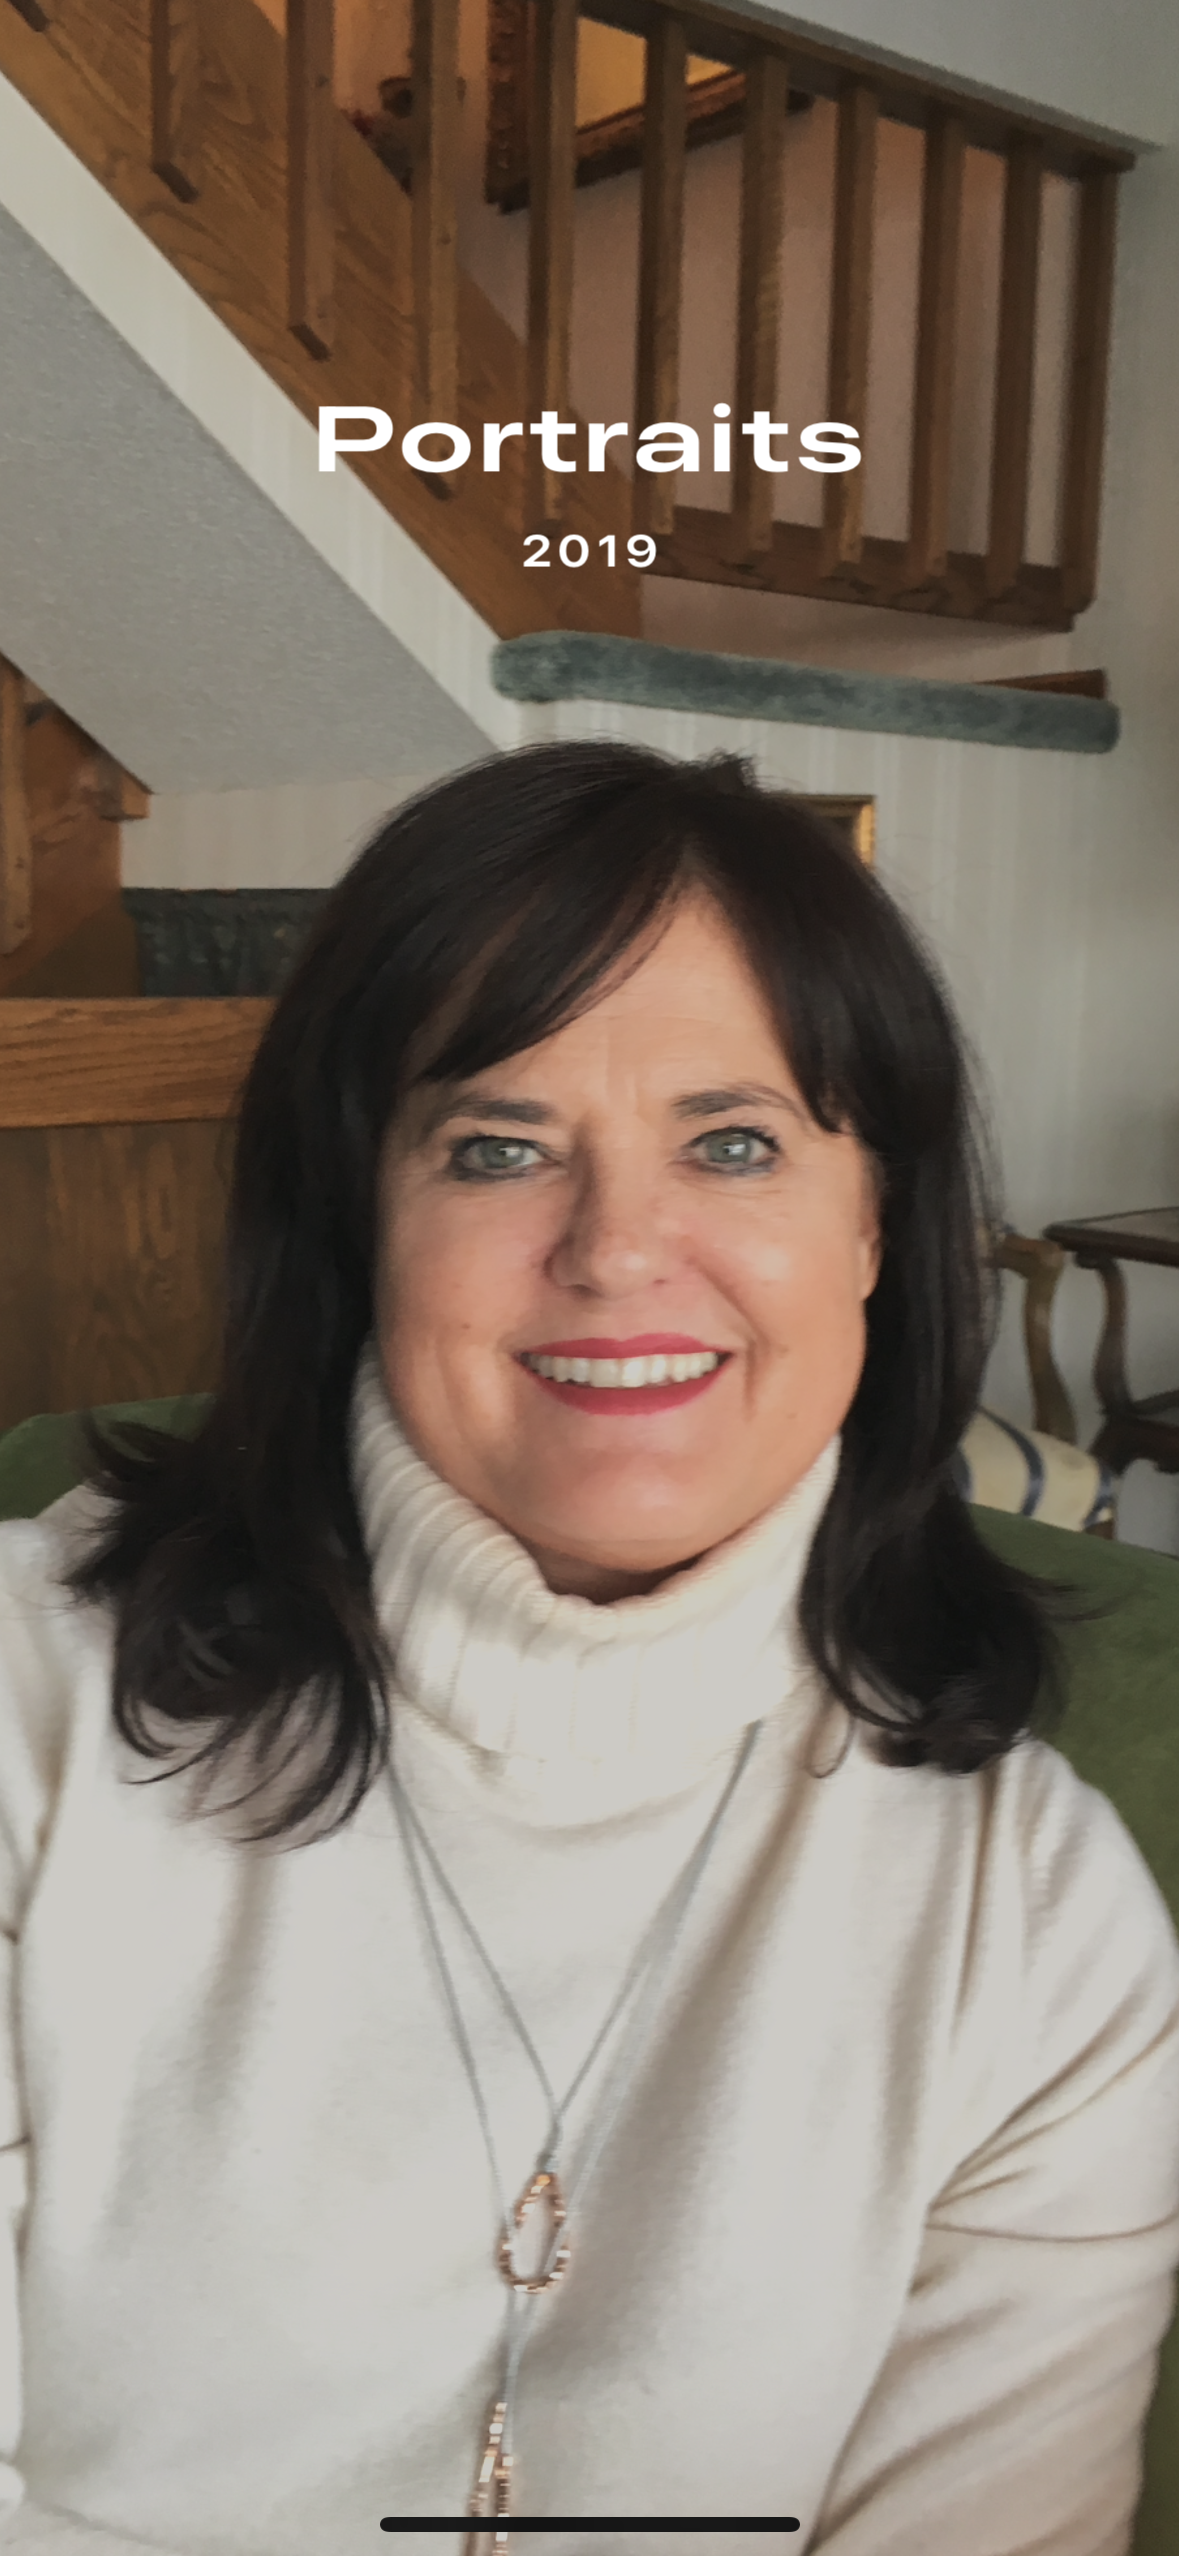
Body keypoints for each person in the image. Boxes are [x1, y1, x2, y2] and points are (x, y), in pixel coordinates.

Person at [0, 741, 1176, 2556]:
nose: (620, 1249)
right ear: (355, 1221)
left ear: (874, 1221)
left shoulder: (1033, 1922)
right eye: (495, 1147)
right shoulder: (30, 1715)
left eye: (734, 1143)